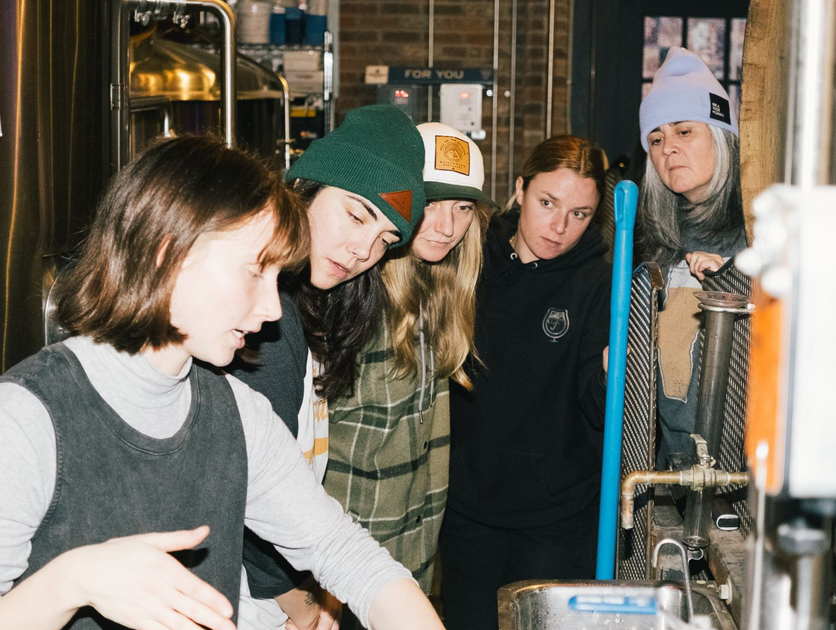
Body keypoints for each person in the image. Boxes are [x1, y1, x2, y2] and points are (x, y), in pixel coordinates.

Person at [0, 136, 444, 630]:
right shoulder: (22, 421)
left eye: (278, 279)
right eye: (254, 272)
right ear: (167, 251)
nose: (271, 309)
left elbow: (346, 554)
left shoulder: (237, 413)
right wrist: (71, 582)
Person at [229, 104, 428, 630]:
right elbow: (243, 490)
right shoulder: (266, 326)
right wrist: (299, 601)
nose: (364, 249)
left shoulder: (312, 307)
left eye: (387, 240)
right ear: (306, 188)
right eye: (357, 214)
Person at [321, 123, 494, 628]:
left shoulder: (440, 297)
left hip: (406, 569)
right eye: (433, 203)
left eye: (463, 209)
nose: (445, 225)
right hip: (339, 577)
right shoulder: (350, 296)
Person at [441, 135, 610, 630]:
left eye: (579, 214)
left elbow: (600, 412)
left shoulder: (599, 284)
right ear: (520, 189)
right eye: (547, 203)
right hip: (469, 511)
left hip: (557, 521)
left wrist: (612, 372)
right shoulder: (471, 260)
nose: (559, 227)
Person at [636, 46, 749, 469]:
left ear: (721, 135)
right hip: (671, 464)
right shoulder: (658, 240)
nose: (668, 149)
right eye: (657, 138)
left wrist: (733, 286)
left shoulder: (757, 233)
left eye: (685, 132)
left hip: (741, 469)